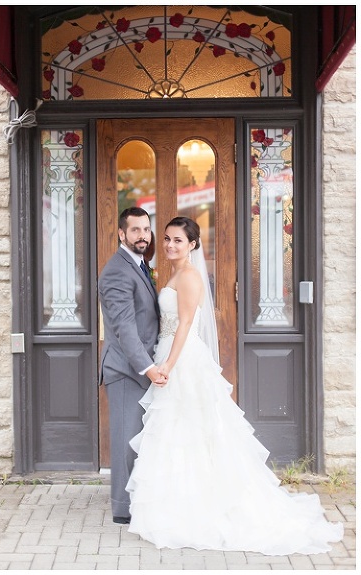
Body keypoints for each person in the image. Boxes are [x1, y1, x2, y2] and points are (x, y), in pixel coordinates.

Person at [126, 216, 344, 554]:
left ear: (192, 245)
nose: (169, 245)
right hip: (170, 352)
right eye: (166, 238)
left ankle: (201, 507)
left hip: (182, 359)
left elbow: (185, 324)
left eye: (178, 240)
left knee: (192, 429)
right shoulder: (174, 273)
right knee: (177, 430)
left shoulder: (190, 276)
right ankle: (178, 505)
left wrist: (168, 363)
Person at [97, 207, 166, 525]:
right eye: (135, 230)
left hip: (141, 367)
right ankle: (122, 508)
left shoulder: (139, 264)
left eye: (146, 229)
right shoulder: (116, 271)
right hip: (126, 370)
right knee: (126, 441)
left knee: (138, 440)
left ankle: (139, 498)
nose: (142, 236)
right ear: (121, 234)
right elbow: (124, 328)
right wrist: (148, 368)